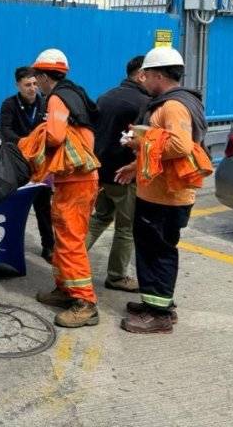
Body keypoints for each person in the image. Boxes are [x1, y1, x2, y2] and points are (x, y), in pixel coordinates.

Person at [116, 47, 211, 334]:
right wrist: (136, 165)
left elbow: (180, 145)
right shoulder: (168, 102)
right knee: (151, 249)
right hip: (157, 193)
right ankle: (155, 302)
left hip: (166, 198)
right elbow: (163, 146)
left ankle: (159, 315)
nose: (143, 80)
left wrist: (140, 144)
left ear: (158, 75)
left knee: (158, 251)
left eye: (146, 75)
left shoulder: (173, 106)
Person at [27, 49, 101, 328]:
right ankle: (65, 289)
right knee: (65, 239)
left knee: (70, 241)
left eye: (38, 77)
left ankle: (85, 303)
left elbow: (56, 136)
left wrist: (36, 138)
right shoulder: (77, 94)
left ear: (45, 76)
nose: (37, 83)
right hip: (79, 178)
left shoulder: (57, 98)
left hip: (75, 181)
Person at [85, 56, 150, 293]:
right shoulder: (144, 102)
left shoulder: (106, 95)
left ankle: (71, 264)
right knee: (126, 228)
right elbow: (143, 140)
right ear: (141, 75)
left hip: (100, 171)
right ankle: (117, 276)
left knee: (99, 218)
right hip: (125, 174)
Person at [0, 66, 54, 262]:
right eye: (27, 85)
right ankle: (6, 245)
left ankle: (49, 245)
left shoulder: (46, 103)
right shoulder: (9, 105)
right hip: (17, 163)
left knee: (44, 207)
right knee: (13, 205)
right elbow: (5, 131)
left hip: (40, 165)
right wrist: (29, 144)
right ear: (17, 85)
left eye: (34, 84)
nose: (32, 88)